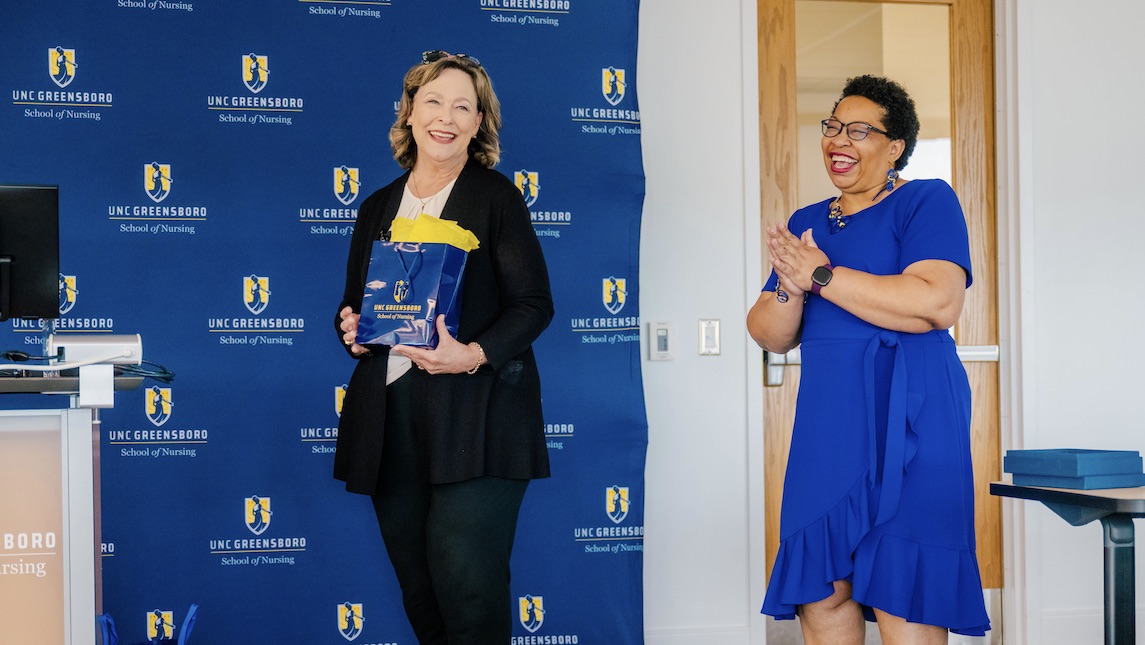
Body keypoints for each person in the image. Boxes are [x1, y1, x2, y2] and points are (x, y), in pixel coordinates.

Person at [747, 75, 990, 644]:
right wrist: (792, 283)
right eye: (833, 127)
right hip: (831, 416)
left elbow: (935, 302)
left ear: (895, 147)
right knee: (821, 585)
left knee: (903, 584)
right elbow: (769, 332)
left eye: (859, 131)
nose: (839, 140)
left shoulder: (925, 200)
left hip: (914, 407)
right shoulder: (809, 220)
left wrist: (821, 275)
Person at [333, 50, 553, 644]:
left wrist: (474, 352)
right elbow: (353, 304)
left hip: (478, 415)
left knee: (468, 584)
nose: (446, 117)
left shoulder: (496, 199)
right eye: (433, 101)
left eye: (463, 106)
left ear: (480, 123)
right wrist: (351, 329)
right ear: (408, 112)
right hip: (392, 417)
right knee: (419, 588)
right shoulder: (377, 205)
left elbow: (534, 305)